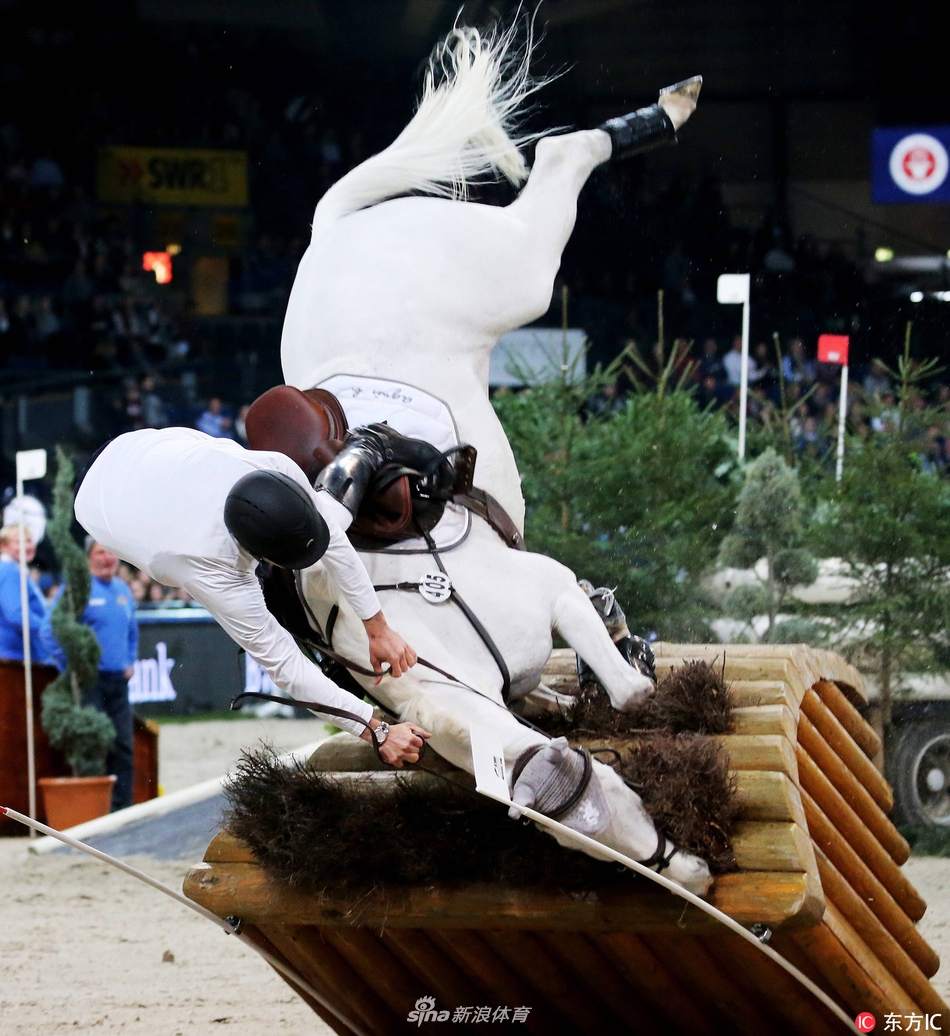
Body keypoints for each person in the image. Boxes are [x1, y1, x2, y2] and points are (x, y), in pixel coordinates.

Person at [73, 428, 429, 767]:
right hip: (97, 503)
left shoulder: (276, 466)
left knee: (330, 515)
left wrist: (377, 628)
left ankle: (367, 445)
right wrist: (376, 730)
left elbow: (333, 540)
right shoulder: (207, 566)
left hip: (146, 447)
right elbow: (285, 665)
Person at [41, 539, 138, 811]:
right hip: (90, 682)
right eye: (100, 552)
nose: (107, 557)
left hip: (119, 682)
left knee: (123, 747)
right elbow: (49, 630)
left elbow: (132, 631)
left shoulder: (123, 590)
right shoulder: (76, 589)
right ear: (88, 558)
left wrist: (130, 661)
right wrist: (70, 666)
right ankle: (95, 812)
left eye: (111, 551)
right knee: (93, 745)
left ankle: (123, 810)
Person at [0, 526, 49, 662]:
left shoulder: (15, 570)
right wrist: (50, 629)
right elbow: (17, 614)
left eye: (29, 541)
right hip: (14, 656)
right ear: (3, 546)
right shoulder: (9, 572)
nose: (27, 546)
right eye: (19, 542)